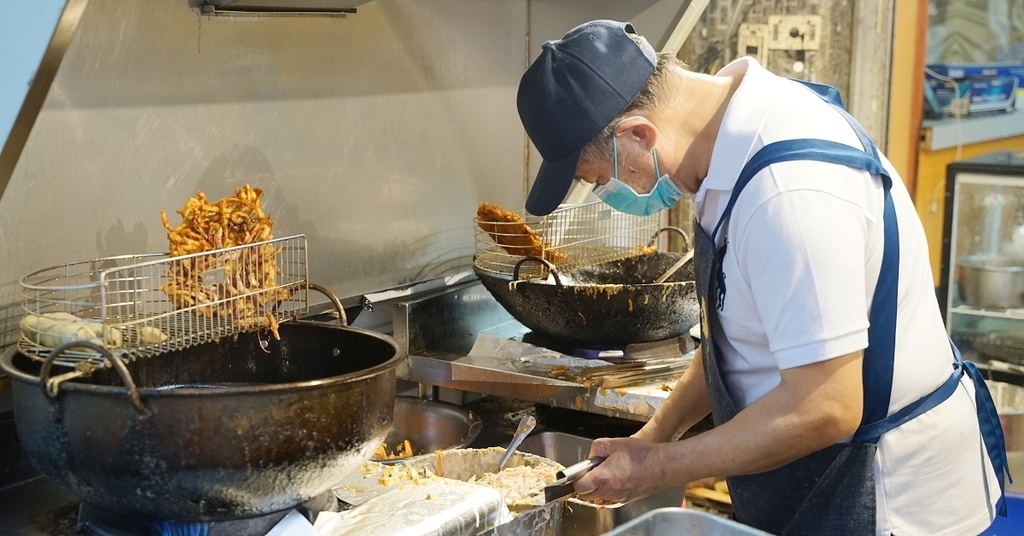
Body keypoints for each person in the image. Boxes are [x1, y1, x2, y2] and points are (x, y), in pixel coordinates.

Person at [515, 19, 1012, 535]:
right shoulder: (722, 148)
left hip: (889, 498)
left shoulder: (788, 194)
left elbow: (825, 407)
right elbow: (733, 341)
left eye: (599, 179)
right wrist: (654, 437)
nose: (609, 194)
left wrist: (658, 469)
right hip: (822, 474)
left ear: (638, 135)